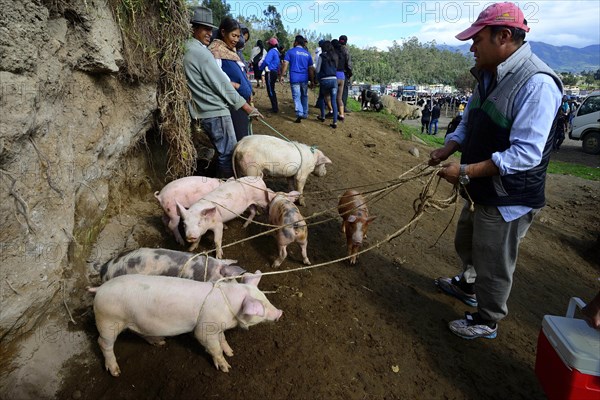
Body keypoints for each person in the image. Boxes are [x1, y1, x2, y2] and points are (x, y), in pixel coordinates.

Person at [428, 2, 563, 340]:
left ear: (503, 36)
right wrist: (450, 145)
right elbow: (471, 121)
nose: (471, 47)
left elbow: (525, 154)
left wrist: (465, 171)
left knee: (494, 261)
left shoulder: (537, 84)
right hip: (481, 187)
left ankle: (487, 320)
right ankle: (468, 286)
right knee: (468, 242)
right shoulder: (488, 74)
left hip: (508, 197)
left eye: (477, 39)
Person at [183, 7, 262, 178]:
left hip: (202, 110)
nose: (209, 33)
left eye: (211, 29)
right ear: (193, 28)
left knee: (219, 152)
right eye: (205, 29)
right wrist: (247, 108)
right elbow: (222, 85)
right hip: (215, 111)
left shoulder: (187, 49)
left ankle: (209, 182)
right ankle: (224, 191)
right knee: (228, 154)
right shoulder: (202, 53)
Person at [208, 17, 253, 142]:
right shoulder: (215, 51)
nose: (236, 40)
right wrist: (238, 86)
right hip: (232, 106)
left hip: (242, 103)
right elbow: (218, 78)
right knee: (239, 141)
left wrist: (248, 89)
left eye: (238, 37)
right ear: (223, 32)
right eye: (234, 35)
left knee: (244, 139)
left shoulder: (230, 52)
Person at [280, 35, 315, 123]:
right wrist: (312, 80)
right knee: (304, 95)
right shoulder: (307, 54)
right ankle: (305, 113)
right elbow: (311, 68)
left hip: (294, 77)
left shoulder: (290, 52)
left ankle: (299, 112)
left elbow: (285, 64)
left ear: (296, 42)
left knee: (296, 96)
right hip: (304, 78)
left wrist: (282, 75)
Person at [315, 40, 338, 129]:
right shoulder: (335, 56)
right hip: (334, 80)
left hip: (324, 80)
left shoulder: (322, 56)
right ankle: (335, 122)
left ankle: (323, 116)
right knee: (333, 101)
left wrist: (317, 78)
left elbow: (317, 70)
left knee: (321, 98)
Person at [260, 37, 280, 113]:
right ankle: (274, 107)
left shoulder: (271, 51)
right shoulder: (277, 52)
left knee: (271, 90)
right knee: (272, 89)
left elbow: (266, 61)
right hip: (274, 72)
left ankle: (275, 108)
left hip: (270, 72)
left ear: (271, 45)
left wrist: (260, 68)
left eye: (268, 44)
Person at [331, 39, 346, 122]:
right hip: (342, 76)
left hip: (335, 76)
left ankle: (333, 112)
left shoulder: (333, 54)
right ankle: (342, 115)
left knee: (331, 97)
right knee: (339, 98)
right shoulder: (343, 54)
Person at [338, 35, 352, 113]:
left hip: (334, 72)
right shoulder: (346, 50)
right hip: (344, 73)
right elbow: (348, 64)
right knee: (344, 90)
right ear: (346, 41)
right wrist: (350, 73)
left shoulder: (335, 49)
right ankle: (343, 107)